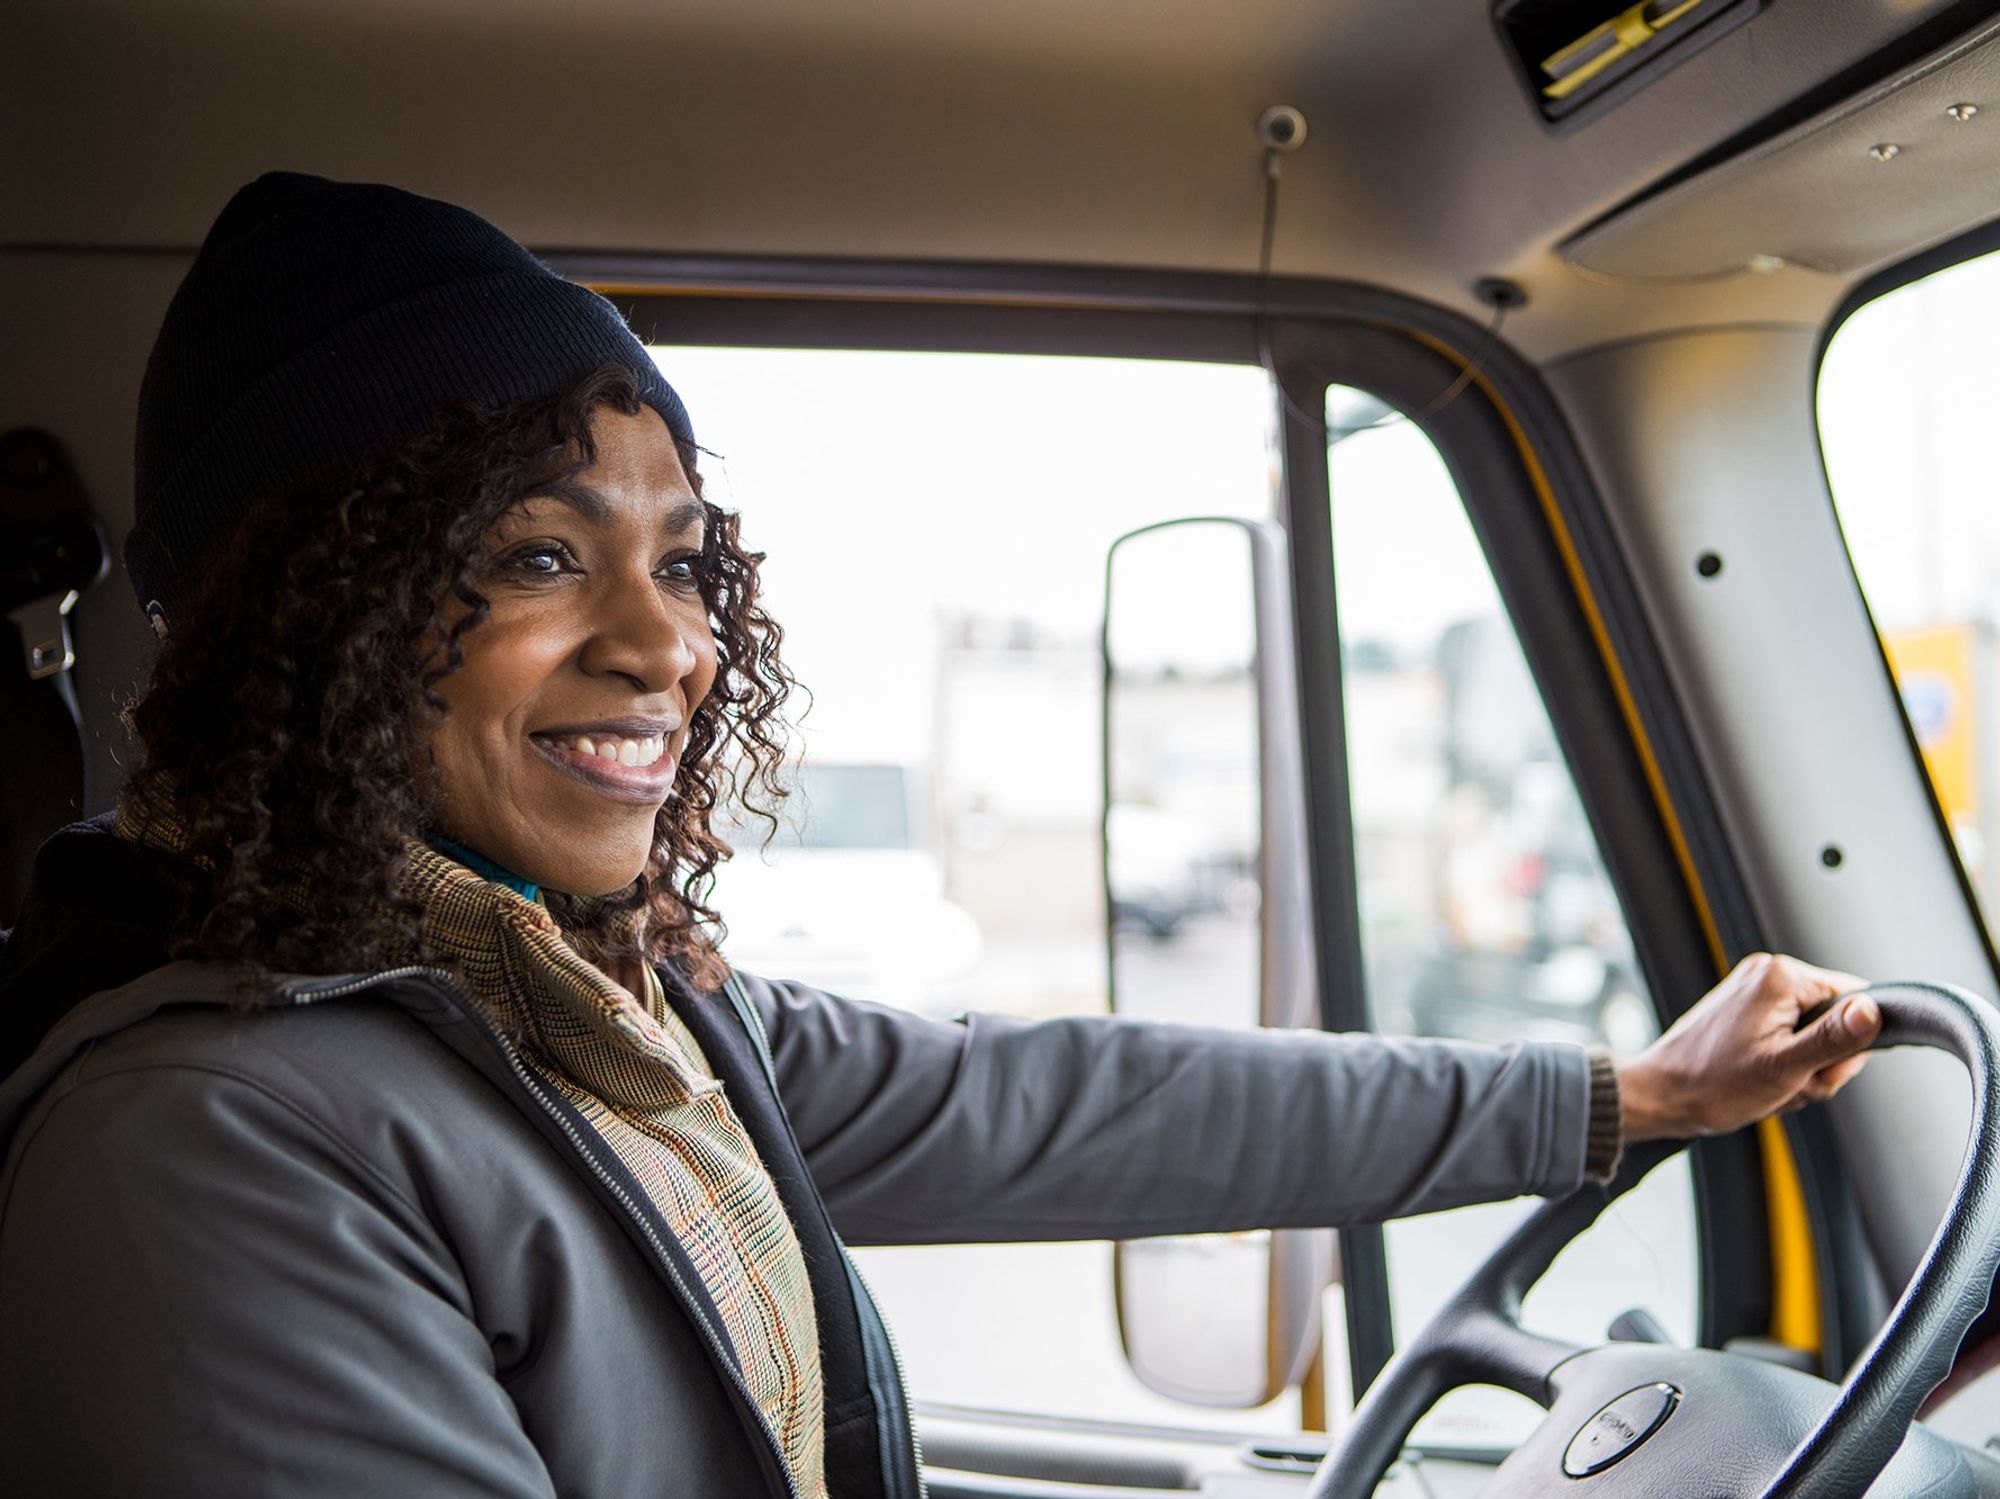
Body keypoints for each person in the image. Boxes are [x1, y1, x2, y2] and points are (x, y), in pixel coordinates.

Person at [0, 173, 1882, 1498]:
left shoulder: (593, 1014)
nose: (666, 643)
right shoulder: (203, 1154)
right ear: (301, 614)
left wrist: (1623, 1106)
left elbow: (1069, 1102)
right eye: (537, 555)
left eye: (682, 558)